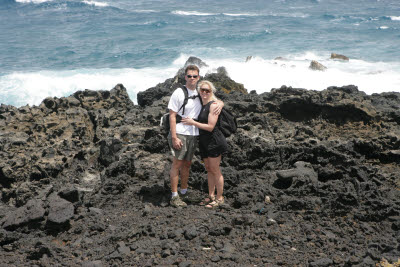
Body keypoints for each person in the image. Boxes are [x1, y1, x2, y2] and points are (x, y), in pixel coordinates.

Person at [168, 65, 223, 208]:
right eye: (189, 76)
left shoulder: (199, 93)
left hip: (194, 134)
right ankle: (174, 196)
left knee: (187, 164)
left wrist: (221, 103)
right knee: (177, 164)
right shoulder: (179, 92)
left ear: (198, 78)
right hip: (180, 133)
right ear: (184, 77)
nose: (192, 78)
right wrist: (174, 137)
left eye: (194, 76)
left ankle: (184, 192)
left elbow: (212, 99)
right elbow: (172, 116)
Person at [181, 80, 227, 208]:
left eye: (208, 90)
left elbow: (211, 127)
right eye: (203, 90)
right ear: (199, 91)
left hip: (214, 141)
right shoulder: (201, 103)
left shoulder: (213, 105)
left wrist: (193, 123)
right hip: (204, 141)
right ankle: (211, 195)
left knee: (215, 169)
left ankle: (220, 198)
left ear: (211, 92)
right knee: (208, 168)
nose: (205, 92)